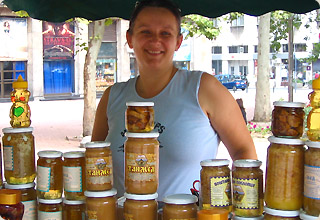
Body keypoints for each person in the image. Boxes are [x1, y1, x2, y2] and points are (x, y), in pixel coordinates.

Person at [91, 0, 257, 200]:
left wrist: (237, 202)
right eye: (145, 32)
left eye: (165, 34)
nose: (155, 41)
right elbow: (95, 164)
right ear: (130, 38)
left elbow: (243, 151)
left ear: (178, 41)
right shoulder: (112, 97)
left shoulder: (203, 88)